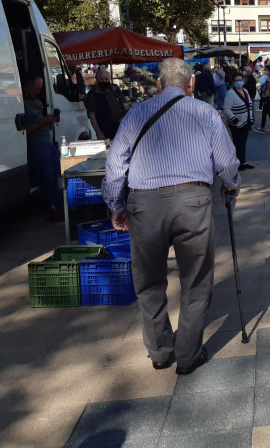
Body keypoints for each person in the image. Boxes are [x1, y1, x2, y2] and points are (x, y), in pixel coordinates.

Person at [102, 58, 240, 376]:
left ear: (159, 85)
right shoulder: (204, 112)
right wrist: (231, 187)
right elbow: (227, 160)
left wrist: (115, 205)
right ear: (190, 84)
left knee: (149, 281)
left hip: (144, 204)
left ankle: (161, 352)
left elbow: (115, 164)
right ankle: (188, 355)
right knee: (196, 279)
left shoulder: (136, 114)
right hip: (193, 202)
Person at [21, 74, 62, 219]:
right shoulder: (20, 104)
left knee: (57, 174)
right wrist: (45, 122)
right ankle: (52, 208)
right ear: (26, 87)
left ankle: (59, 205)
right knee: (47, 178)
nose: (39, 92)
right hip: (37, 146)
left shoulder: (35, 101)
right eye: (36, 88)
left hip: (47, 143)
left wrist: (51, 118)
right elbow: (24, 129)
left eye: (40, 88)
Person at [223, 73, 255, 170]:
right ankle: (237, 163)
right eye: (236, 80)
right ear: (233, 82)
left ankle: (243, 162)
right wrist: (235, 119)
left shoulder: (245, 91)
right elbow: (227, 109)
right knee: (237, 143)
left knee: (243, 143)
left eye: (240, 80)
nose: (239, 82)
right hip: (235, 124)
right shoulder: (230, 93)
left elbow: (249, 105)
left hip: (245, 122)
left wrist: (250, 120)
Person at [85, 68, 126, 140]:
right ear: (97, 80)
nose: (104, 81)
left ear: (109, 79)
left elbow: (124, 104)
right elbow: (92, 114)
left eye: (106, 79)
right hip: (104, 128)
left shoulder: (115, 89)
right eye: (101, 79)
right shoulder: (93, 93)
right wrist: (98, 132)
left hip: (120, 126)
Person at [256, 67, 270, 133]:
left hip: (269, 98)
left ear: (269, 71)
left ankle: (262, 128)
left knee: (264, 113)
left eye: (266, 70)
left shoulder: (269, 79)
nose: (265, 71)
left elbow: (268, 89)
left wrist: (265, 97)